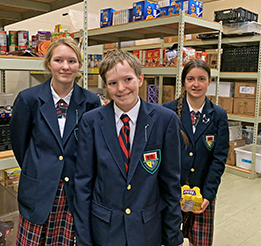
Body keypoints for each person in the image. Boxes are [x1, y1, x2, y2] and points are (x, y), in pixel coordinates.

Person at [74, 49, 183, 246]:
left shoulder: (165, 120)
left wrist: (173, 237)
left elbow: (171, 184)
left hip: (146, 229)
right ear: (106, 86)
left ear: (140, 79)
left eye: (128, 80)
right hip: (105, 231)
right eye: (113, 83)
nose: (121, 88)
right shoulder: (91, 122)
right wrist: (83, 239)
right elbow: (83, 183)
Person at [10, 38, 101, 245]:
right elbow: (20, 145)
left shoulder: (90, 102)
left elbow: (92, 148)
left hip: (73, 191)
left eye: (72, 61)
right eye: (59, 60)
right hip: (38, 189)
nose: (66, 67)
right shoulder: (28, 99)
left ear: (80, 65)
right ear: (49, 63)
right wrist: (39, 167)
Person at [163, 59, 229, 246]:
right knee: (169, 239)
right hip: (172, 192)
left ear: (209, 82)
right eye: (191, 79)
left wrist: (209, 194)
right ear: (184, 81)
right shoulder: (168, 111)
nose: (196, 84)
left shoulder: (218, 115)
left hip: (202, 192)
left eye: (201, 79)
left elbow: (219, 158)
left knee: (199, 241)